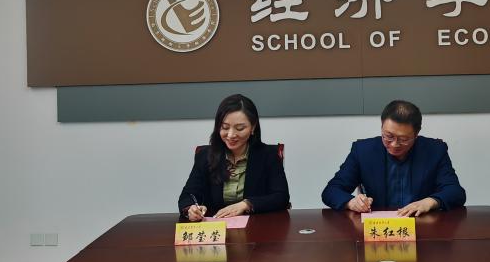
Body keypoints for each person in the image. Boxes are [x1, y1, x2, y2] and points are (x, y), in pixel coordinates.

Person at [321, 99, 465, 216]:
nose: (395, 144)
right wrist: (351, 202)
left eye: (403, 139)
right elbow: (331, 190)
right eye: (388, 136)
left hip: (420, 226)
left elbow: (455, 192)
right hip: (378, 228)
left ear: (416, 134)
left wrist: (430, 202)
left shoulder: (434, 150)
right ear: (381, 127)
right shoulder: (363, 151)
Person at [178, 94, 289, 221]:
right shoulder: (205, 156)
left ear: (253, 127)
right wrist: (191, 209)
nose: (231, 135)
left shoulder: (268, 155)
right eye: (225, 127)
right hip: (216, 227)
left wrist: (246, 204)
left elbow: (281, 197)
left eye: (240, 128)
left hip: (256, 227)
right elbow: (188, 195)